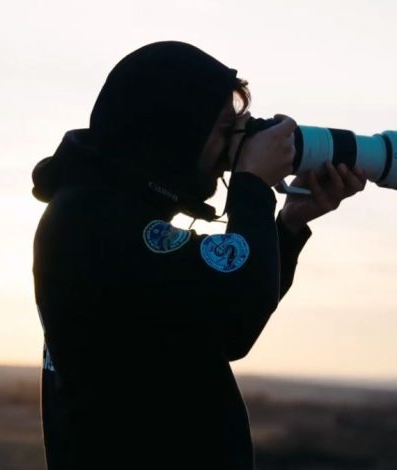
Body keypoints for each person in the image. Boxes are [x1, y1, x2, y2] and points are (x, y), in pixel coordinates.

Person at [30, 41, 367, 470]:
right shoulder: (95, 222)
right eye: (225, 130)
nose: (233, 149)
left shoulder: (103, 211)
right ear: (172, 130)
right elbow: (236, 306)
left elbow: (221, 322)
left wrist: (288, 225)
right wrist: (252, 188)